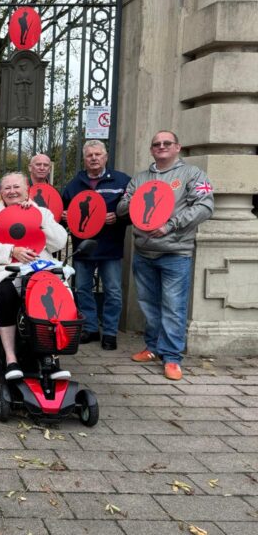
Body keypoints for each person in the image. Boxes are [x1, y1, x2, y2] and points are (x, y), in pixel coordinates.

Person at [116, 130, 214, 381]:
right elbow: (122, 208)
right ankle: (153, 348)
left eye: (166, 143)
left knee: (173, 307)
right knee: (149, 305)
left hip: (175, 252)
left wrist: (171, 225)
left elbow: (205, 206)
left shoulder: (192, 175)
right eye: (156, 144)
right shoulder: (140, 178)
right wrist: (133, 202)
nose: (161, 147)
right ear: (151, 150)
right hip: (144, 251)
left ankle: (172, 357)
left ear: (177, 147)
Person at [0, 172, 69, 381]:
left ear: (26, 190)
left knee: (53, 296)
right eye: (7, 188)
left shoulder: (41, 212)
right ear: (1, 192)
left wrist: (36, 218)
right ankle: (11, 358)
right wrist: (11, 251)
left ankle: (50, 357)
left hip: (39, 268)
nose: (12, 191)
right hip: (4, 271)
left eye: (16, 187)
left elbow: (60, 241)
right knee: (5, 292)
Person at [61, 140, 130, 351]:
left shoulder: (122, 180)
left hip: (110, 246)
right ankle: (90, 328)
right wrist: (65, 217)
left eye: (98, 154)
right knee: (82, 289)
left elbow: (133, 212)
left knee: (113, 291)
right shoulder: (74, 184)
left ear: (106, 157)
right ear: (84, 158)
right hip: (84, 247)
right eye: (90, 155)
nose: (94, 158)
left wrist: (118, 218)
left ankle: (110, 332)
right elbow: (63, 214)